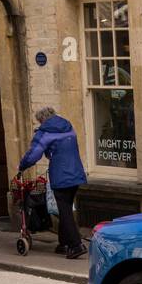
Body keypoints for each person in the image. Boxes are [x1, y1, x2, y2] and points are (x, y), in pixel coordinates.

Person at [16, 105, 87, 259]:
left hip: (61, 176)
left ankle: (76, 245)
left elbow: (33, 155)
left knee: (65, 211)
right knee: (66, 208)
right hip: (76, 173)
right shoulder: (68, 127)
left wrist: (22, 166)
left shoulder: (45, 132)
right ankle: (63, 244)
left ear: (41, 120)